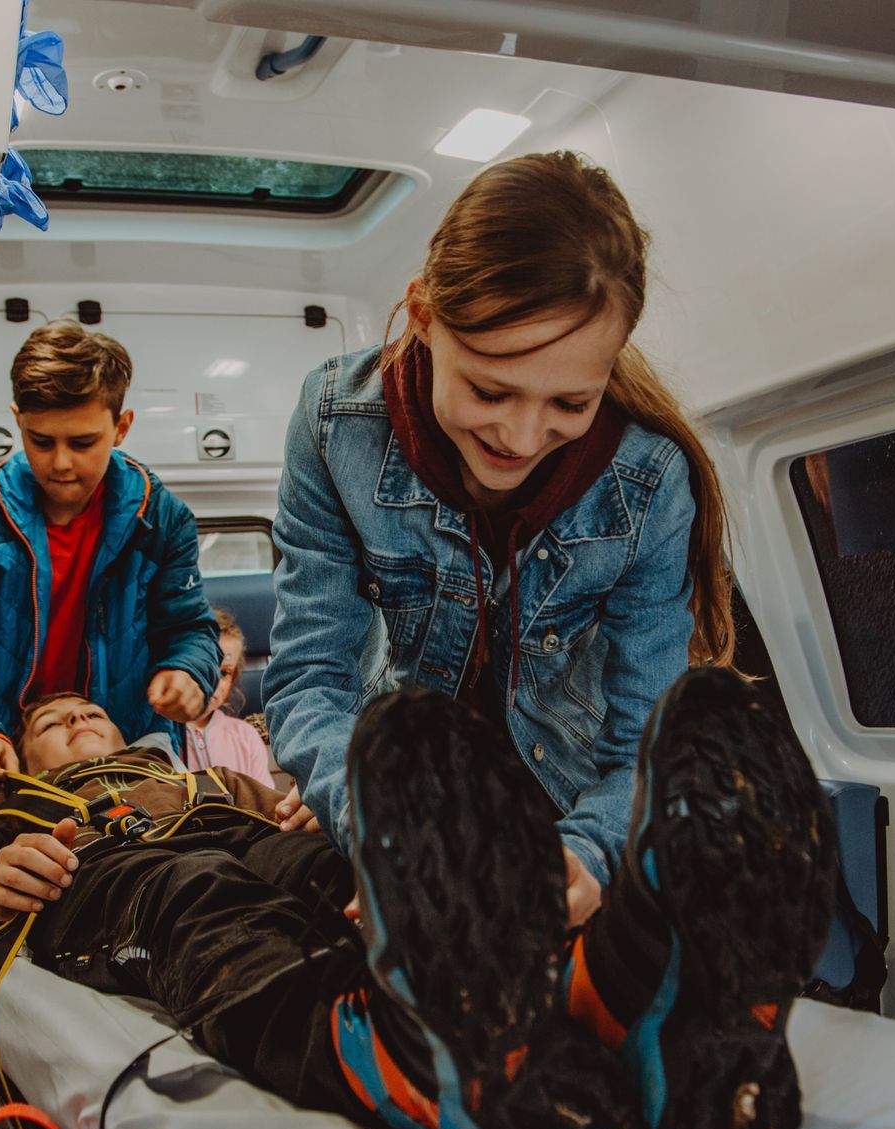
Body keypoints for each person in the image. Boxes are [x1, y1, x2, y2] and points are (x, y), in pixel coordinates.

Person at [0, 670, 836, 1129]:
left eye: (90, 713)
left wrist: (315, 822)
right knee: (202, 898)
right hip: (110, 878)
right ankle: (395, 1057)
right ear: (24, 753)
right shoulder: (7, 810)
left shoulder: (202, 779)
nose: (78, 723)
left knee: (327, 874)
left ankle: (606, 1001)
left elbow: (284, 816)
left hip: (245, 839)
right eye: (54, 723)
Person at [262, 151, 737, 933]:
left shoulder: (651, 482)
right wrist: (372, 814)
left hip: (574, 806)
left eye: (570, 404)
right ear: (422, 316)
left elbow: (648, 743)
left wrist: (586, 857)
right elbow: (311, 679)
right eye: (489, 390)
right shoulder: (333, 424)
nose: (520, 437)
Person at [0, 321, 218, 803]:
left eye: (82, 443)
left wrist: (187, 671)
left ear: (121, 427)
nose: (60, 463)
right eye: (41, 441)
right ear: (18, 421)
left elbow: (190, 630)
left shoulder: (161, 518)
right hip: (11, 764)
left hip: (132, 757)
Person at [181, 608, 275, 787]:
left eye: (224, 673)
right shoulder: (164, 738)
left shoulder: (246, 737)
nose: (212, 682)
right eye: (202, 669)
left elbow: (264, 798)